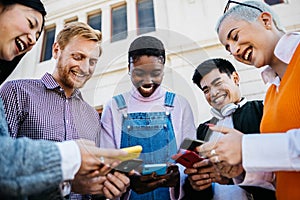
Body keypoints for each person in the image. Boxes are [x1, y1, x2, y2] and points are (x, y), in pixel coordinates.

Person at [0, 1, 128, 199]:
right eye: (78, 57)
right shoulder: (16, 93)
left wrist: (109, 189)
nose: (85, 69)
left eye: (92, 61)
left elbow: (91, 185)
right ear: (56, 50)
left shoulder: (93, 116)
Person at [199, 1, 300, 200]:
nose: (235, 51)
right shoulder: (271, 92)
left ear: (265, 20)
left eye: (235, 37)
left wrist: (247, 147)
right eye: (229, 48)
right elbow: (282, 173)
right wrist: (241, 168)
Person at [100, 35, 196, 199]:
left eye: (155, 73)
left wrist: (178, 175)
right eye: (139, 73)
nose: (147, 80)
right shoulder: (114, 107)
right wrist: (128, 180)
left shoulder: (180, 104)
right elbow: (107, 162)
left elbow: (190, 159)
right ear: (128, 69)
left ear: (163, 70)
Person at [183, 58, 275, 200]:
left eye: (218, 83)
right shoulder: (202, 131)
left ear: (235, 78)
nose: (213, 93)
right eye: (206, 90)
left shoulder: (264, 110)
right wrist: (197, 184)